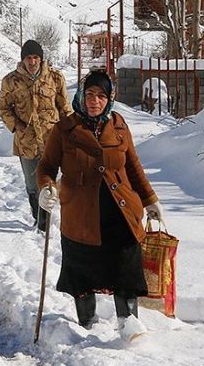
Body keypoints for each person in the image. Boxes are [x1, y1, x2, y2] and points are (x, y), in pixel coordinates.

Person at [36, 69, 166, 338]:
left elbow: (133, 166)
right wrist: (46, 187)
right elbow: (47, 166)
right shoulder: (64, 129)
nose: (95, 101)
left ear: (110, 100)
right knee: (82, 272)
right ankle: (88, 325)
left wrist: (150, 199)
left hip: (121, 211)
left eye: (102, 96)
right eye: (90, 94)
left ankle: (129, 326)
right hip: (81, 215)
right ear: (81, 96)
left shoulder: (118, 125)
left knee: (126, 268)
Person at [0, 39, 72, 232]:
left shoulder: (55, 78)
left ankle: (44, 223)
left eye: (36, 57)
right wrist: (16, 125)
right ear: (23, 60)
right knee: (32, 185)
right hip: (26, 143)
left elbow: (65, 109)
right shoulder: (10, 81)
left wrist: (71, 133)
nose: (32, 62)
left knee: (48, 185)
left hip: (51, 141)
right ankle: (36, 214)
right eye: (28, 58)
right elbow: (3, 107)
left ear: (41, 59)